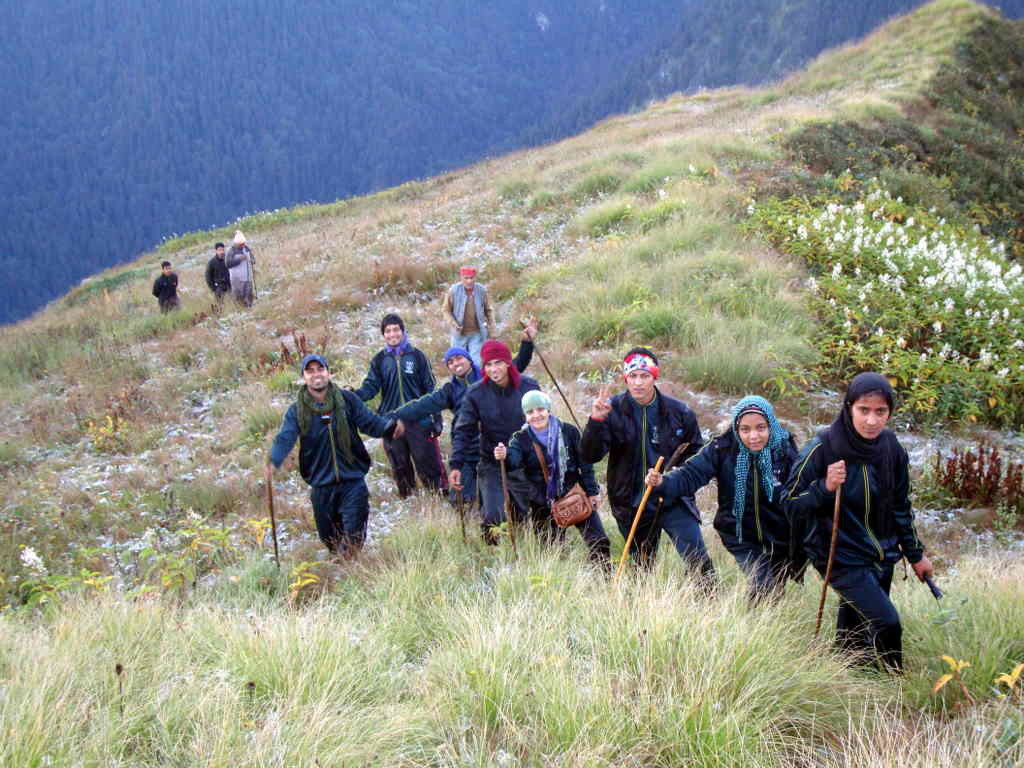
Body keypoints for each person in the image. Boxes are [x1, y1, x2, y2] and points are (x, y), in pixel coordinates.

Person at [784, 372, 933, 671]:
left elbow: (901, 507)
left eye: (881, 412)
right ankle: (896, 684)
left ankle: (846, 679)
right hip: (837, 555)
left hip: (881, 554)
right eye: (863, 410)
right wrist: (824, 487)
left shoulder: (891, 448)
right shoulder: (823, 448)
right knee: (887, 622)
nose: (872, 420)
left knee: (855, 631)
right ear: (849, 407)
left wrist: (915, 555)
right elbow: (788, 503)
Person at [645, 396, 801, 602]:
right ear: (736, 428)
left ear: (770, 425)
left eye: (760, 428)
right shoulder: (722, 449)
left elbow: (802, 486)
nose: (753, 436)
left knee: (775, 590)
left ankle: (761, 625)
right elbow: (690, 475)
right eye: (745, 429)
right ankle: (749, 629)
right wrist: (662, 483)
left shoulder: (785, 450)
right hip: (739, 533)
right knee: (764, 586)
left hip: (778, 535)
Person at [581, 347, 714, 583]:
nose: (639, 382)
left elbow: (697, 454)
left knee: (698, 559)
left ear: (655, 377)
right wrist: (596, 420)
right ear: (626, 379)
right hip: (631, 503)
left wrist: (672, 477)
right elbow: (590, 455)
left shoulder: (680, 412)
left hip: (673, 499)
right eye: (633, 376)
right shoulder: (611, 409)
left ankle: (711, 602)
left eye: (645, 375)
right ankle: (644, 610)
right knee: (643, 567)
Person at [265, 354, 404, 556]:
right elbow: (285, 437)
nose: (316, 375)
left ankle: (351, 567)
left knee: (354, 536)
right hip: (321, 484)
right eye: (310, 371)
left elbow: (370, 422)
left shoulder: (348, 400)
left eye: (320, 369)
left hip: (352, 480)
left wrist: (390, 428)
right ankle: (341, 561)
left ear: (328, 372)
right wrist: (274, 460)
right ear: (304, 377)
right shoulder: (297, 411)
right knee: (329, 538)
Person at [392, 318, 537, 507]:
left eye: (459, 358)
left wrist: (527, 342)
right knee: (460, 500)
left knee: (507, 500)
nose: (455, 364)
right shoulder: (449, 391)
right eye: (450, 362)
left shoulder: (489, 376)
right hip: (467, 449)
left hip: (494, 447)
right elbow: (422, 405)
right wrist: (395, 415)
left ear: (469, 359)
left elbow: (517, 364)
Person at [496, 390, 611, 567]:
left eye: (540, 409)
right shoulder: (520, 440)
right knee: (551, 553)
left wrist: (592, 492)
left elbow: (585, 463)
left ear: (548, 409)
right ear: (525, 416)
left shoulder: (569, 431)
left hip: (575, 495)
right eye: (530, 412)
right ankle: (562, 584)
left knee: (599, 541)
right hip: (543, 504)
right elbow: (513, 463)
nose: (536, 415)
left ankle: (603, 578)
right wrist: (503, 455)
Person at [449, 339, 540, 543]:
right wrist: (456, 464)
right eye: (488, 364)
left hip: (523, 462)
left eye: (498, 363)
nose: (493, 369)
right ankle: (492, 557)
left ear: (508, 363)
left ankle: (522, 560)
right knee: (493, 516)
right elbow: (463, 431)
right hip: (491, 462)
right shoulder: (476, 393)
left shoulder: (528, 387)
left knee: (522, 516)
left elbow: (544, 423)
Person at [355, 313, 446, 498]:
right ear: (383, 335)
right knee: (401, 468)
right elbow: (370, 387)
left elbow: (431, 388)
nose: (392, 334)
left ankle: (441, 501)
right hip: (391, 423)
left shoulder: (418, 356)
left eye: (396, 329)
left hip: (419, 421)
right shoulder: (379, 360)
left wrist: (437, 418)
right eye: (387, 331)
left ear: (403, 331)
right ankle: (410, 504)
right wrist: (353, 395)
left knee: (428, 465)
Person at [443, 266, 494, 367]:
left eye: (471, 278)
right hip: (459, 334)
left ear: (475, 277)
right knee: (458, 364)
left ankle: (475, 382)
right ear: (461, 278)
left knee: (476, 363)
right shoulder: (454, 290)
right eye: (466, 278)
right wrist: (453, 323)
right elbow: (446, 310)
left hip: (477, 333)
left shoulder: (481, 290)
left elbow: (489, 310)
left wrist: (492, 329)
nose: (469, 281)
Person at [225, 230, 255, 307]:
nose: (242, 246)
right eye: (240, 244)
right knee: (239, 298)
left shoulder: (246, 248)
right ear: (236, 243)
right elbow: (228, 264)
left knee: (249, 296)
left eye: (243, 244)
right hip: (236, 280)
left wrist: (252, 260)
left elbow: (253, 259)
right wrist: (239, 259)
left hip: (247, 278)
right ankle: (240, 311)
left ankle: (250, 309)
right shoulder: (230, 251)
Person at [205, 242, 231, 306]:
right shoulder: (211, 263)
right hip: (219, 287)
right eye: (219, 250)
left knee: (233, 302)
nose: (222, 252)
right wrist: (214, 288)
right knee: (220, 305)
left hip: (229, 285)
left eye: (223, 250)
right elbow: (208, 277)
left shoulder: (228, 259)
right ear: (216, 251)